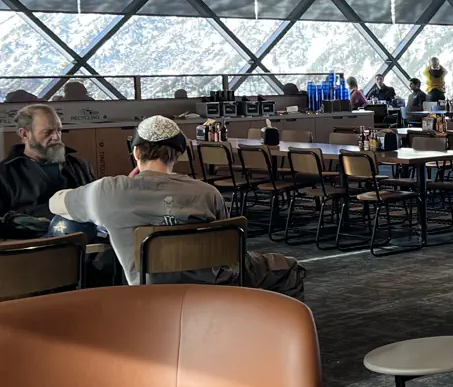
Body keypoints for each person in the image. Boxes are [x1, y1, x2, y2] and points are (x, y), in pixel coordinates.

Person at [48, 115, 304, 295]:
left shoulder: (106, 191)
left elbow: (55, 202)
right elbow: (229, 251)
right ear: (179, 153)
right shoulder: (207, 193)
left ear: (135, 153)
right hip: (212, 288)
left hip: (150, 291)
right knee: (288, 268)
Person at [0, 104, 96, 221]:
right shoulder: (5, 175)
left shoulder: (80, 166)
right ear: (25, 134)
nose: (56, 137)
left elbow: (97, 203)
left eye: (59, 130)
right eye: (48, 132)